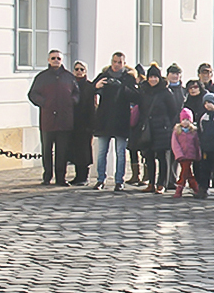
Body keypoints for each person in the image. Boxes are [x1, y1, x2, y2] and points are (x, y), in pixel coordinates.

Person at [27, 49, 80, 186]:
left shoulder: (69, 77)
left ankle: (61, 177)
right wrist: (44, 102)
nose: (56, 60)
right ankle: (47, 176)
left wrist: (72, 101)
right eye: (53, 58)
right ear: (49, 60)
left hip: (64, 120)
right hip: (48, 120)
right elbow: (33, 94)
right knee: (47, 150)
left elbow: (76, 93)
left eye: (58, 58)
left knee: (62, 151)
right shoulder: (42, 77)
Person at [92, 52, 139, 192]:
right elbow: (90, 91)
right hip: (104, 119)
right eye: (114, 61)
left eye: (119, 62)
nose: (116, 64)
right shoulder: (104, 75)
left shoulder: (128, 78)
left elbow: (136, 97)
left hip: (121, 119)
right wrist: (97, 86)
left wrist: (122, 88)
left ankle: (119, 180)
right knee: (102, 152)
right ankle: (101, 179)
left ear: (124, 63)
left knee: (120, 152)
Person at [136, 64, 181, 193]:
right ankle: (151, 182)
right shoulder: (144, 91)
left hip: (162, 128)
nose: (153, 80)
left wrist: (168, 125)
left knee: (163, 158)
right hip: (148, 128)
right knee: (149, 157)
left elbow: (173, 111)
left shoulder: (165, 92)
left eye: (155, 77)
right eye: (151, 77)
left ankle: (162, 184)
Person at [69, 61, 96, 186]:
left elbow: (92, 106)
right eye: (77, 69)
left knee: (84, 151)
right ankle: (77, 176)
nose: (79, 71)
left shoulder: (89, 86)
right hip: (73, 122)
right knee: (74, 150)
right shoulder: (70, 85)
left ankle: (84, 176)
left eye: (82, 69)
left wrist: (91, 125)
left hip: (85, 123)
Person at [170, 108, 202, 197]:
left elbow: (196, 144)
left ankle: (186, 188)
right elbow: (175, 144)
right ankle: (188, 188)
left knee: (187, 172)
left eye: (187, 120)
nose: (185, 122)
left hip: (190, 155)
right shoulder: (177, 131)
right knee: (185, 172)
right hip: (182, 155)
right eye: (183, 120)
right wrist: (179, 154)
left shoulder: (193, 132)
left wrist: (198, 154)